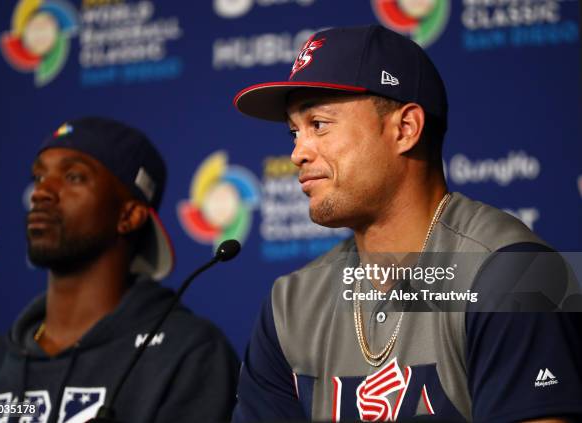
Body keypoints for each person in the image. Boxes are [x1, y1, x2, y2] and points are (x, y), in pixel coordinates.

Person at [231, 25, 582, 422]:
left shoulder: (515, 276)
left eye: (319, 124)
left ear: (405, 129)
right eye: (294, 132)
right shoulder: (290, 305)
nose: (297, 152)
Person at [0, 117, 239, 423]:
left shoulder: (188, 354)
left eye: (73, 177)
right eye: (39, 177)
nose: (41, 192)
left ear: (130, 215)